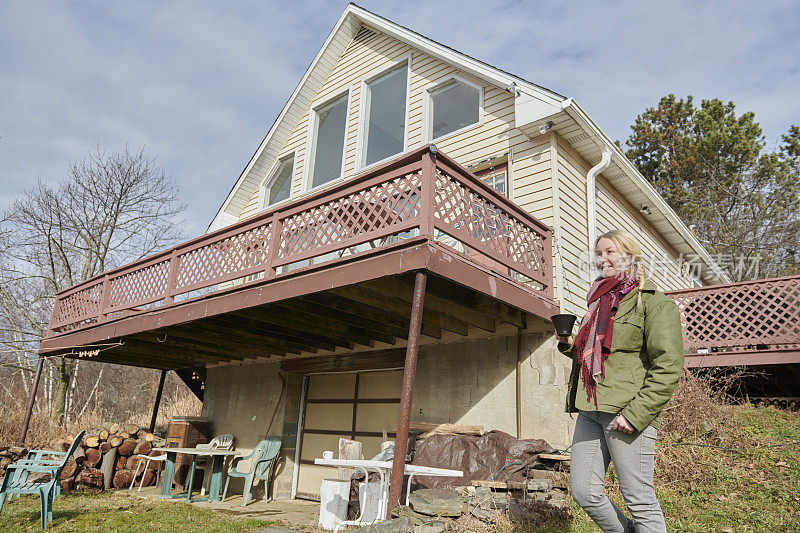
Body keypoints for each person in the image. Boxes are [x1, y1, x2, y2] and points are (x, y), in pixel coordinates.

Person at [556, 229, 684, 533]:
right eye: (599, 254)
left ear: (630, 254)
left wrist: (636, 414)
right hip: (590, 409)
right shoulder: (597, 302)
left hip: (625, 412)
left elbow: (668, 365)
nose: (603, 259)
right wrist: (568, 342)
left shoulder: (653, 303)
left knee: (639, 500)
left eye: (610, 252)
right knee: (585, 492)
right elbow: (594, 355)